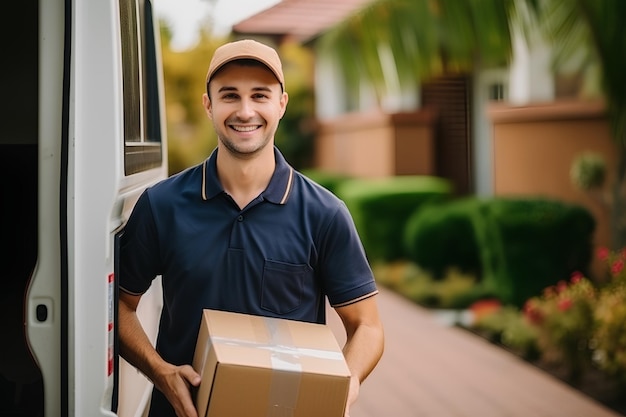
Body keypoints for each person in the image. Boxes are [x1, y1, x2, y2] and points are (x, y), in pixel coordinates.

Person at [118, 38, 384, 417]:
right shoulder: (162, 205)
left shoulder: (324, 213)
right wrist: (160, 374)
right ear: (208, 105)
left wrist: (346, 383)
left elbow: (367, 327)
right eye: (230, 96)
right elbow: (121, 307)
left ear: (281, 104)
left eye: (260, 95)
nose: (245, 111)